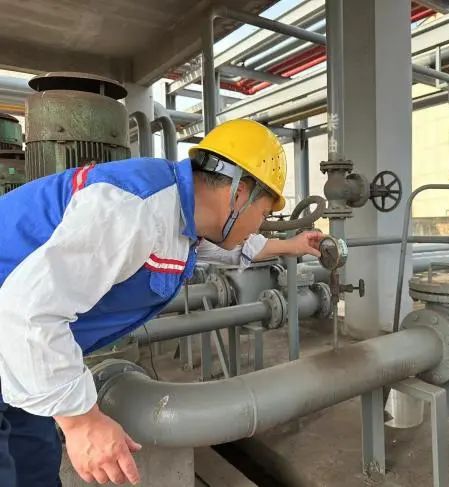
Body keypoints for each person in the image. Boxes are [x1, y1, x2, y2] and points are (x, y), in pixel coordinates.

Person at [0, 119, 323, 486]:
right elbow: (26, 311)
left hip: (19, 362)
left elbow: (228, 248)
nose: (260, 225)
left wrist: (293, 246)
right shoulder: (134, 209)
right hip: (14, 335)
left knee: (35, 468)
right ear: (239, 193)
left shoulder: (178, 212)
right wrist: (81, 421)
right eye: (263, 214)